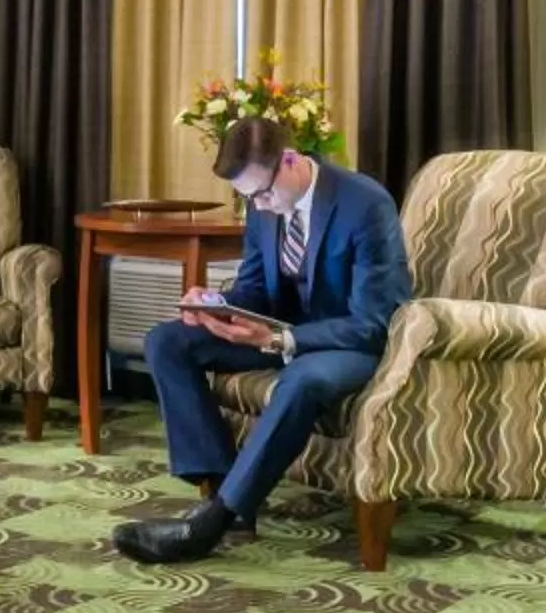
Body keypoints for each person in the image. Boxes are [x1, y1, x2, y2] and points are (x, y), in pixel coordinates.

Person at [114, 115, 411, 564]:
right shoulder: (262, 204)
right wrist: (215, 303)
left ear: (290, 160)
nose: (261, 206)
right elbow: (254, 288)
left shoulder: (365, 204)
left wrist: (283, 338)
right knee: (167, 341)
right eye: (249, 197)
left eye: (263, 192)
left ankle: (212, 523)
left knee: (304, 380)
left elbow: (372, 321)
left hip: (351, 344)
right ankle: (223, 488)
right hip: (281, 333)